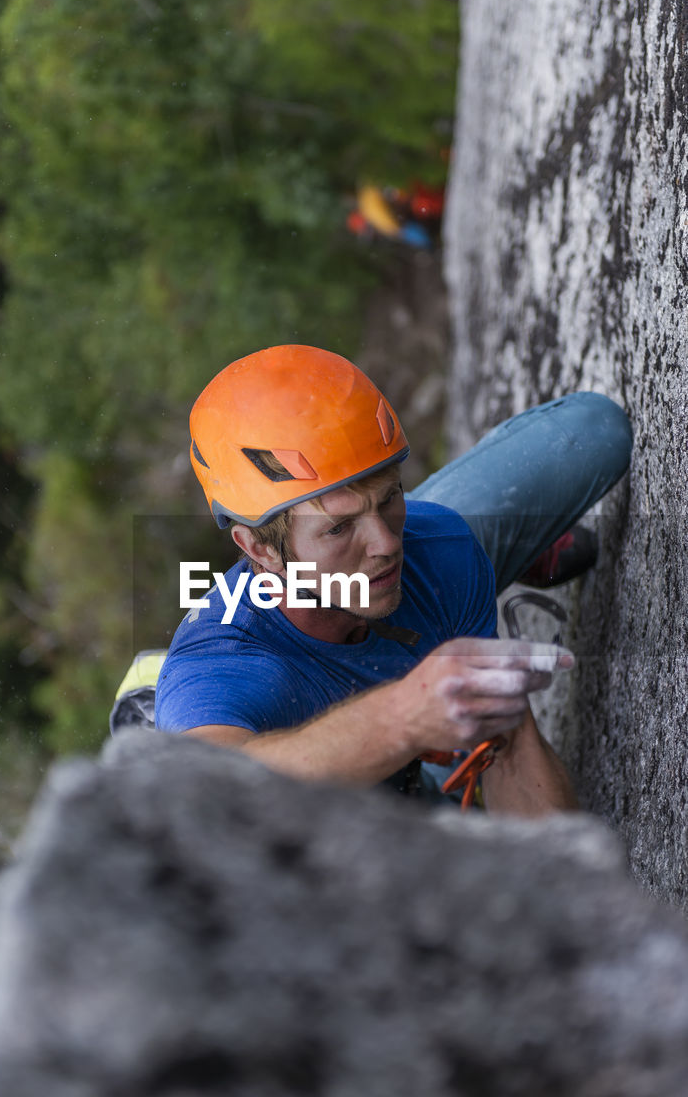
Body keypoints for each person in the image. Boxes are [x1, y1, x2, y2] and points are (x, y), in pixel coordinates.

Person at [140, 346, 633, 815]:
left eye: (388, 496)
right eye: (338, 527)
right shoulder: (224, 663)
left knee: (595, 431)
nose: (386, 544)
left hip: (429, 574)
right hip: (347, 814)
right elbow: (206, 793)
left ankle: (492, 545)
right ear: (259, 549)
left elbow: (507, 745)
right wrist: (405, 716)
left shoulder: (434, 547)